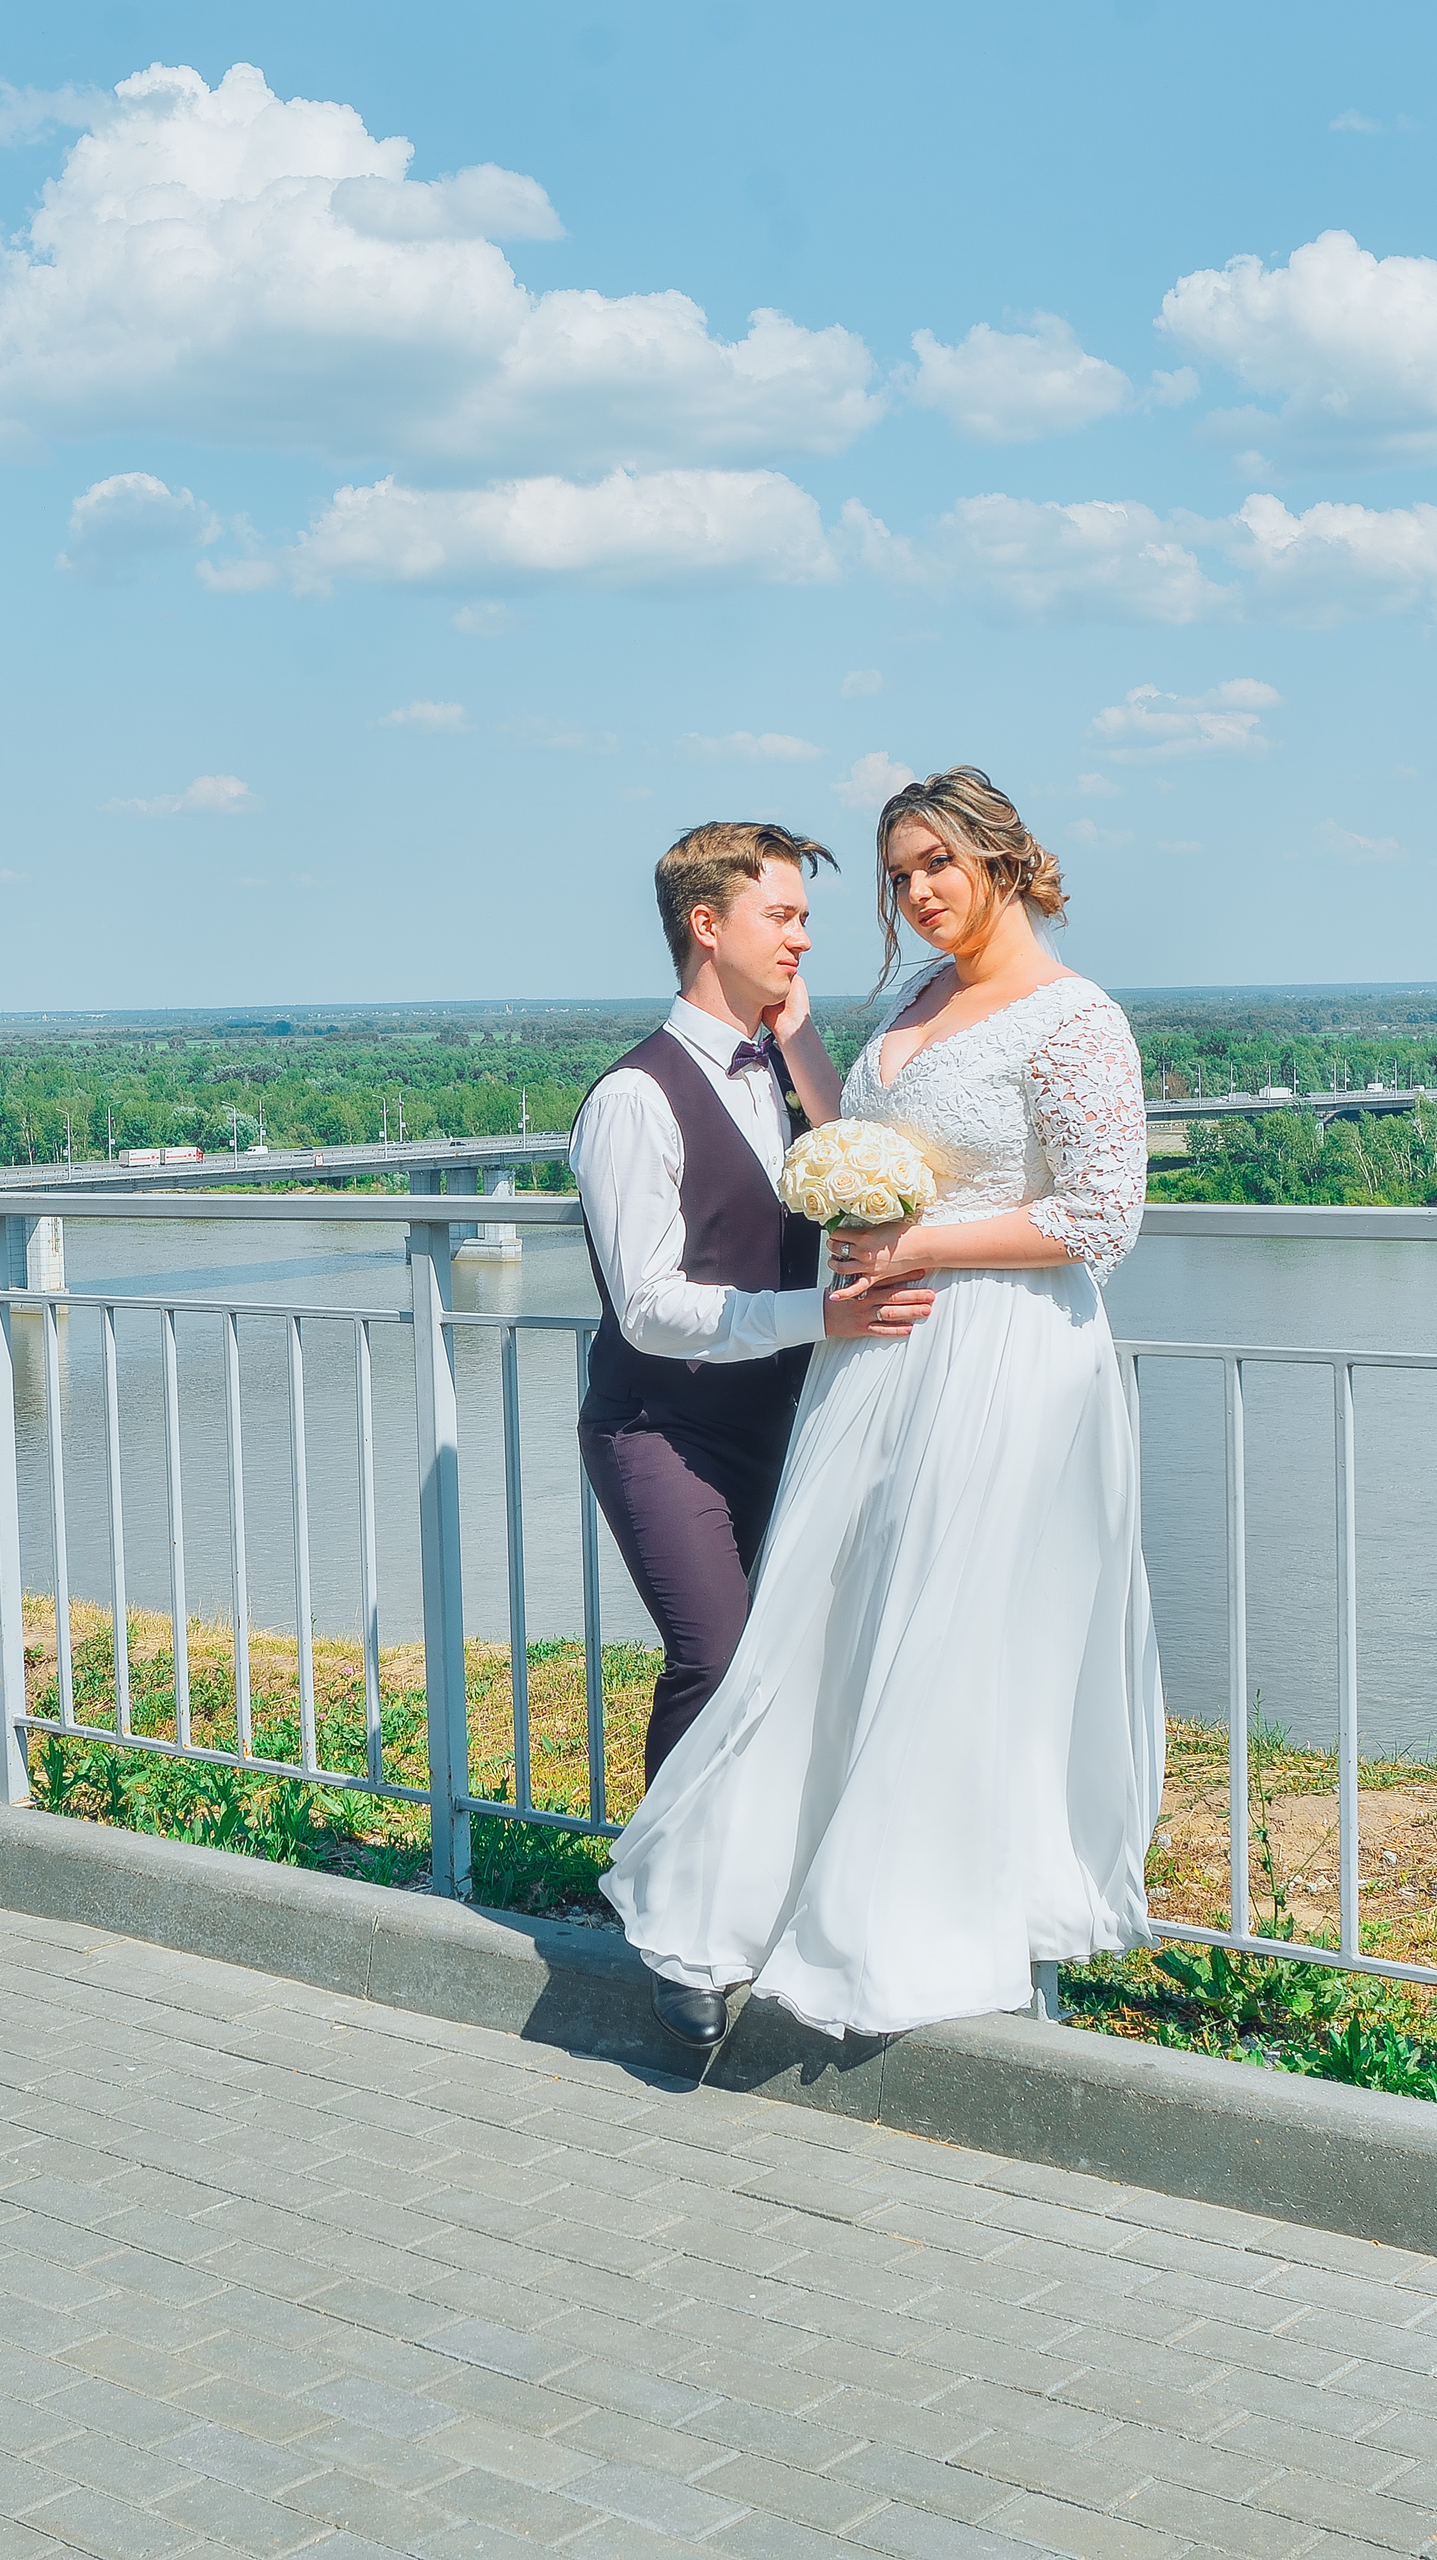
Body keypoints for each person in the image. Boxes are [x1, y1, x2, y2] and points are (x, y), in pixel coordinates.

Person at [601, 770, 1164, 2048]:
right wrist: (799, 1040)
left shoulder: (1076, 1021)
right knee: (833, 1615)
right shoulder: (914, 998)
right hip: (882, 1354)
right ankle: (756, 1895)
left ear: (1003, 859)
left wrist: (918, 1247)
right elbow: (865, 1130)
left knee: (952, 1632)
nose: (914, 895)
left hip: (1006, 1354)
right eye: (898, 874)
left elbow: (1100, 1218)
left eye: (936, 866)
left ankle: (920, 1918)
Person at [572, 823, 934, 2045]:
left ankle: (763, 1907)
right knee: (717, 1660)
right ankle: (669, 1920)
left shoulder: (785, 1072)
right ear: (705, 927)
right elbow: (654, 1307)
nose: (803, 936)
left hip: (785, 1424)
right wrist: (818, 1315)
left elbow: (866, 1179)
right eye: (781, 914)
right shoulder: (633, 1098)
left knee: (799, 1669)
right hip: (658, 1426)